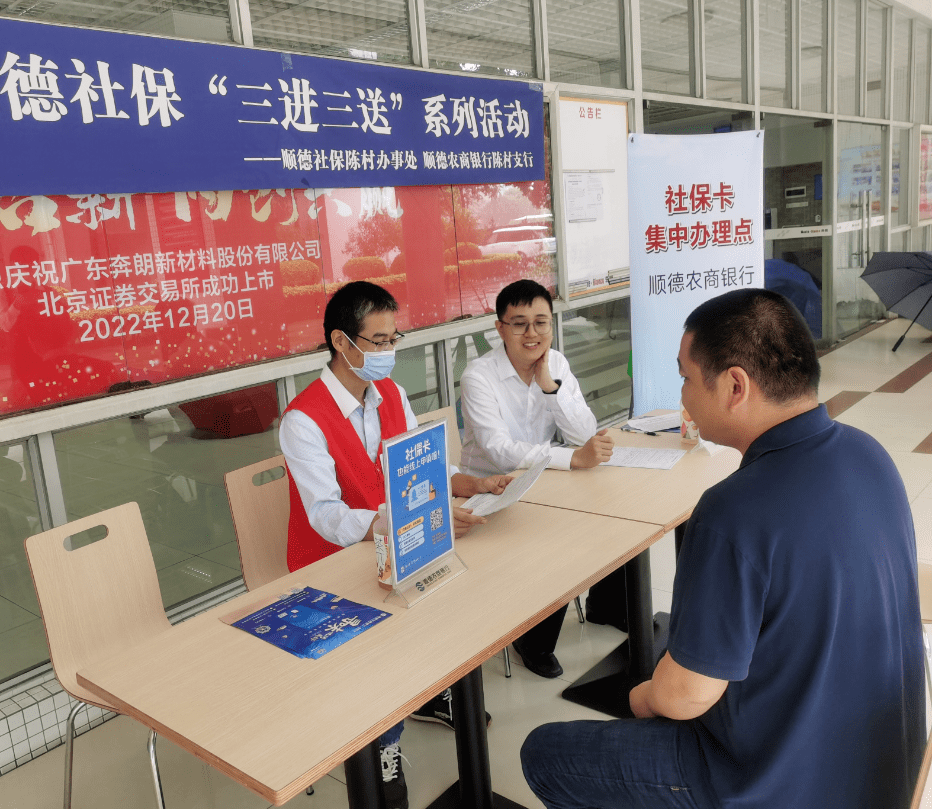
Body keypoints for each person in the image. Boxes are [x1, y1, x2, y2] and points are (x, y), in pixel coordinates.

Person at [520, 288, 924, 809]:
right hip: (882, 768)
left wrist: (642, 695)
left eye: (686, 378)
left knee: (544, 753)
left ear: (735, 386)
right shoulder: (871, 455)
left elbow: (684, 697)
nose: (683, 397)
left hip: (769, 782)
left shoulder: (733, 510)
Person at [280, 280, 512, 809]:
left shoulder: (391, 395)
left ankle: (428, 693)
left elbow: (419, 468)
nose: (389, 352)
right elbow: (326, 516)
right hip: (330, 565)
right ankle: (383, 747)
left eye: (393, 339)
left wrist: (468, 483)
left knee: (461, 594)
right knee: (379, 650)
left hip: (393, 545)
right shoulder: (303, 420)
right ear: (341, 342)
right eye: (379, 341)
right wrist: (403, 520)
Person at [458, 279, 614, 677]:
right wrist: (572, 459)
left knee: (611, 517)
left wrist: (549, 387)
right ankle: (533, 640)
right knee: (558, 539)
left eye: (541, 322)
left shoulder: (554, 364)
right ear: (500, 328)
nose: (532, 334)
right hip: (489, 491)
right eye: (519, 324)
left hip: (543, 482)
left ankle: (611, 607)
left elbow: (585, 432)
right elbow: (498, 450)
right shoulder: (478, 376)